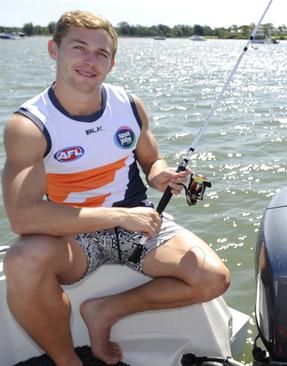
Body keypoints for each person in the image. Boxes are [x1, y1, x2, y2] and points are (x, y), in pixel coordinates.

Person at [1, 10, 230, 366]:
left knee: (212, 278)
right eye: (79, 48)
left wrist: (160, 175)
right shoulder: (29, 124)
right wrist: (121, 215)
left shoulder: (129, 105)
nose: (90, 61)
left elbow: (150, 160)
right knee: (21, 261)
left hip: (139, 223)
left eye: (102, 53)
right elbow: (23, 216)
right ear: (53, 49)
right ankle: (67, 361)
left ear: (112, 62)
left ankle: (105, 311)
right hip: (76, 235)